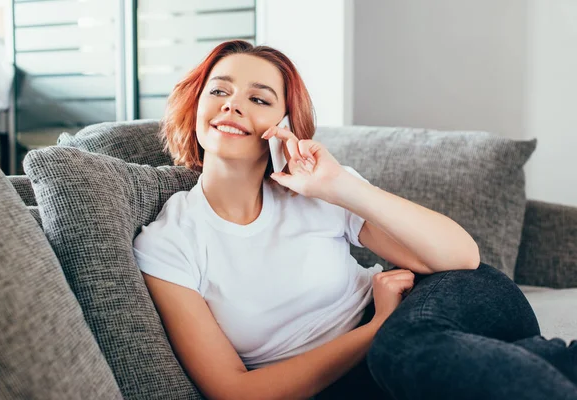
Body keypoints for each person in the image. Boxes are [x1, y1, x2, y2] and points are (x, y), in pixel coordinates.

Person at [133, 40, 577, 400]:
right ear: (195, 106)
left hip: (447, 304)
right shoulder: (169, 243)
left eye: (258, 98)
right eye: (219, 90)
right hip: (373, 367)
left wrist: (341, 187)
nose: (232, 105)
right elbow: (235, 390)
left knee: (402, 349)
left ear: (284, 124)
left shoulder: (318, 191)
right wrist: (377, 328)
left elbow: (461, 258)